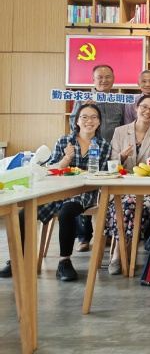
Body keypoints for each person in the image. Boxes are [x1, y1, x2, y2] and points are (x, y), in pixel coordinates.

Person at [0, 104, 111, 280]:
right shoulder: (64, 141)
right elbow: (51, 170)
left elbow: (101, 173)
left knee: (67, 212)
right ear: (77, 121)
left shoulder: (104, 145)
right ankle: (16, 261)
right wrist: (66, 159)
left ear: (99, 122)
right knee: (23, 214)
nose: (89, 121)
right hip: (58, 189)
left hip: (85, 192)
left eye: (94, 117)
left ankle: (64, 262)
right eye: (84, 117)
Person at [104, 95, 150, 275]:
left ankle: (119, 253)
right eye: (144, 107)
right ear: (136, 108)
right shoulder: (120, 131)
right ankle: (121, 250)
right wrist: (122, 156)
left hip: (148, 188)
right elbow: (111, 165)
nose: (147, 111)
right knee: (125, 203)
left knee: (137, 204)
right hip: (122, 186)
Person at [69, 64, 124, 252]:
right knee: (83, 190)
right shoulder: (83, 100)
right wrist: (85, 109)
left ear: (113, 79)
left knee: (110, 192)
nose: (104, 80)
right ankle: (83, 237)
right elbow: (72, 124)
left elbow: (125, 127)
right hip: (87, 152)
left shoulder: (120, 101)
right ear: (93, 80)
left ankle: (107, 233)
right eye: (100, 77)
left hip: (111, 153)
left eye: (108, 77)